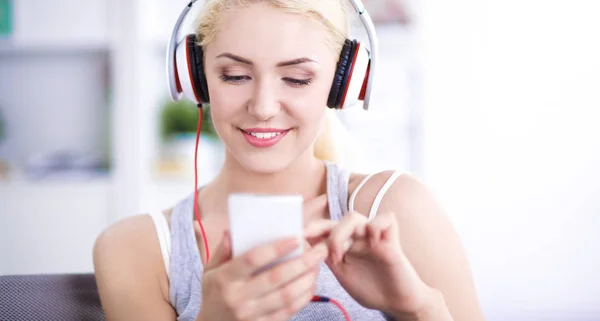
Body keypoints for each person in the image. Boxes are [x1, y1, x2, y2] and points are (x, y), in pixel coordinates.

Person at [92, 0, 486, 320]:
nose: (263, 108)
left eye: (297, 79)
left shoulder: (395, 209)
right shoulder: (134, 249)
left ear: (342, 84)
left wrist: (418, 307)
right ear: (196, 76)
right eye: (234, 75)